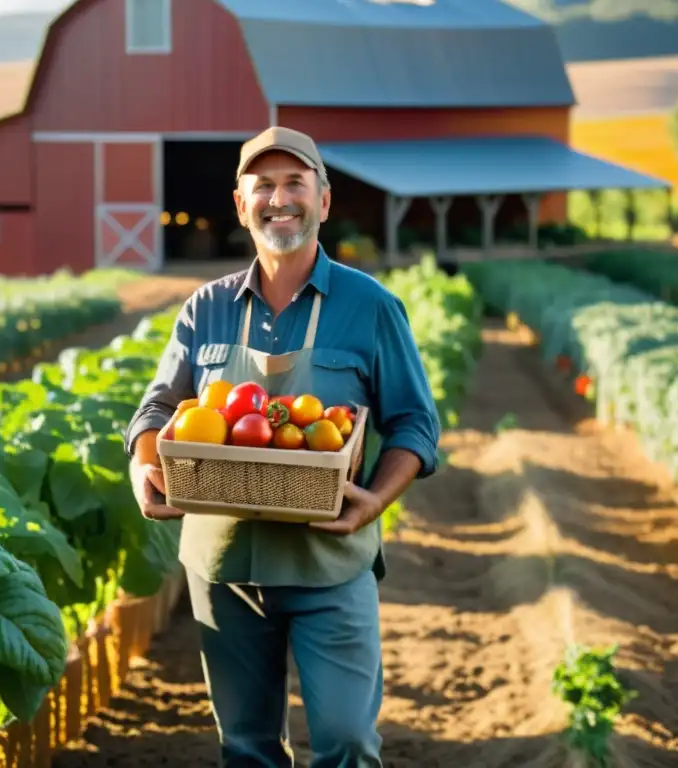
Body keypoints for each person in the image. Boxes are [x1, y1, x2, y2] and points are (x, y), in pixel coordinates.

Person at [124, 126, 440, 768]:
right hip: (225, 568)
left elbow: (414, 424)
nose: (279, 199)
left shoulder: (370, 306)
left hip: (331, 561)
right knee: (245, 750)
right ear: (240, 206)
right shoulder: (203, 310)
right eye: (262, 185)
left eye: (295, 183)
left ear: (323, 201)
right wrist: (143, 466)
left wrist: (373, 502)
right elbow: (156, 408)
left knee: (346, 741)